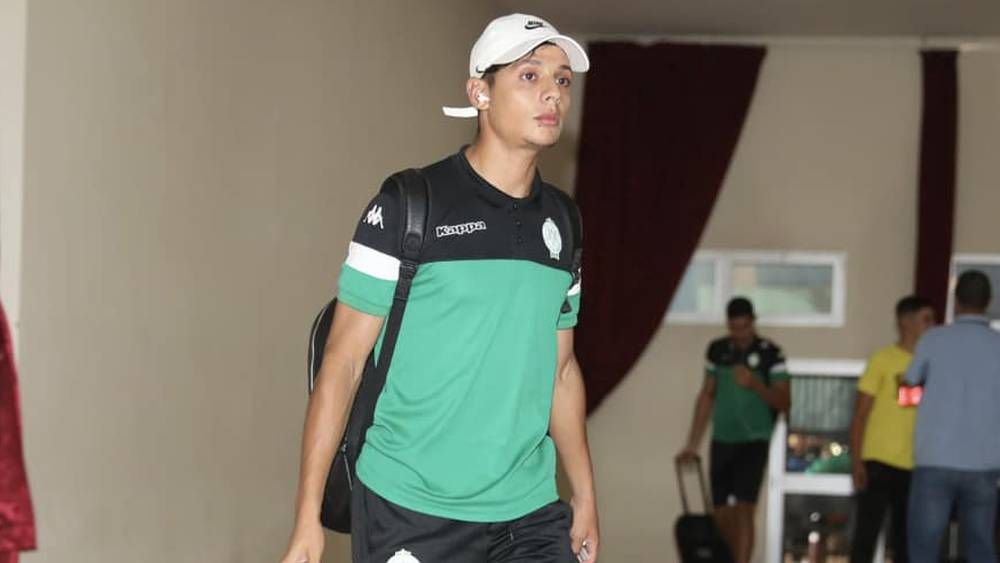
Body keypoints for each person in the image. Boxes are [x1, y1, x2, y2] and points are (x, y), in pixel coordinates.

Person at [280, 13, 599, 563]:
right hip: (409, 509)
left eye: (562, 79)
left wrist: (586, 495)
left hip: (528, 512)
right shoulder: (409, 204)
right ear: (480, 93)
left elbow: (562, 371)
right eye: (529, 75)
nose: (553, 92)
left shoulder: (563, 223)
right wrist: (307, 517)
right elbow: (342, 363)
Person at [678, 297, 791, 563]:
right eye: (734, 328)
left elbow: (785, 401)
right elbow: (707, 394)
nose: (740, 335)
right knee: (720, 511)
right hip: (722, 438)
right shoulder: (717, 350)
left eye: (745, 328)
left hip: (754, 440)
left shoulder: (771, 353)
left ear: (753, 322)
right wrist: (692, 444)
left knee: (744, 508)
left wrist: (756, 384)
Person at [905, 270, 1000, 563]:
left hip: (935, 458)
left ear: (955, 301)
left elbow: (909, 386)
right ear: (988, 302)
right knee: (981, 548)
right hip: (984, 463)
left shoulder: (933, 339)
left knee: (924, 550)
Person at [847, 295, 935, 563]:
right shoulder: (882, 360)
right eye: (926, 319)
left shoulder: (932, 363)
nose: (932, 325)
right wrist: (856, 461)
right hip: (878, 462)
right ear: (905, 322)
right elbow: (860, 415)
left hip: (914, 465)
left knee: (905, 542)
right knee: (865, 537)